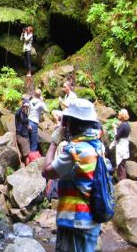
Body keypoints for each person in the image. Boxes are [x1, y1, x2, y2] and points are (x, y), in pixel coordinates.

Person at [42, 98, 103, 252]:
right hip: (93, 218)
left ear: (72, 122)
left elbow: (46, 171)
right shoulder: (98, 147)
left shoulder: (75, 151)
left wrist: (54, 142)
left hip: (75, 220)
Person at [111, 109, 131, 181]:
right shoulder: (127, 124)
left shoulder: (123, 125)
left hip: (121, 147)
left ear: (122, 116)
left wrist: (114, 128)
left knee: (120, 165)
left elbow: (116, 136)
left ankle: (123, 182)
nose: (118, 115)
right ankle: (122, 181)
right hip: (125, 146)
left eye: (119, 115)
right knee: (122, 165)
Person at [15, 98, 32, 166]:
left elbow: (25, 122)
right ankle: (27, 169)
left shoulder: (25, 113)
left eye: (27, 106)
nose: (26, 107)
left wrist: (28, 126)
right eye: (25, 106)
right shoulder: (19, 113)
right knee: (27, 155)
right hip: (21, 135)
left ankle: (26, 167)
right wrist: (22, 106)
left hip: (25, 135)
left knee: (27, 153)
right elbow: (17, 113)